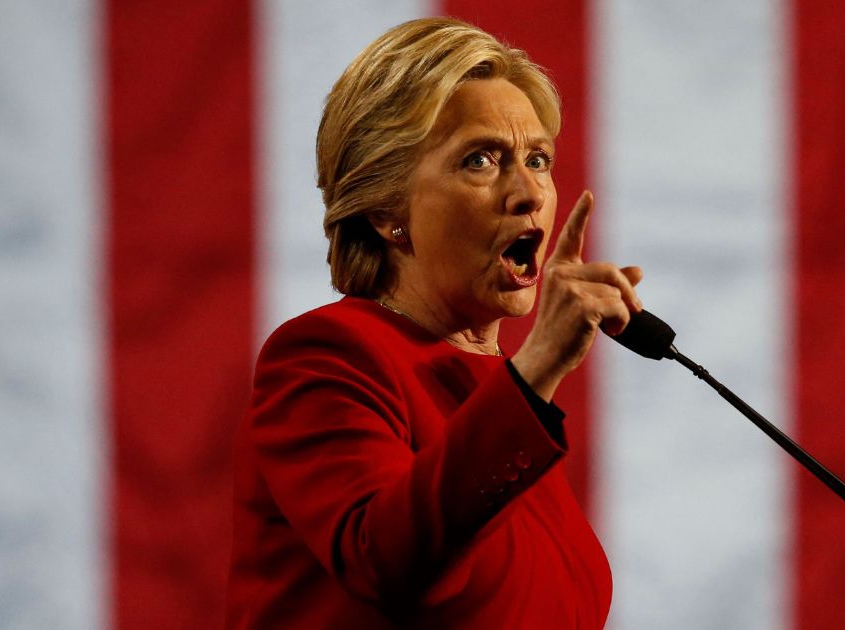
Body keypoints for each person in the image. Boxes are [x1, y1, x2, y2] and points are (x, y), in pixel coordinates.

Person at [226, 17, 643, 628]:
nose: (529, 191)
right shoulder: (327, 357)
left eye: (538, 159)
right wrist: (535, 376)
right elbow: (384, 559)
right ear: (384, 209)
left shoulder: (496, 391)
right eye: (481, 160)